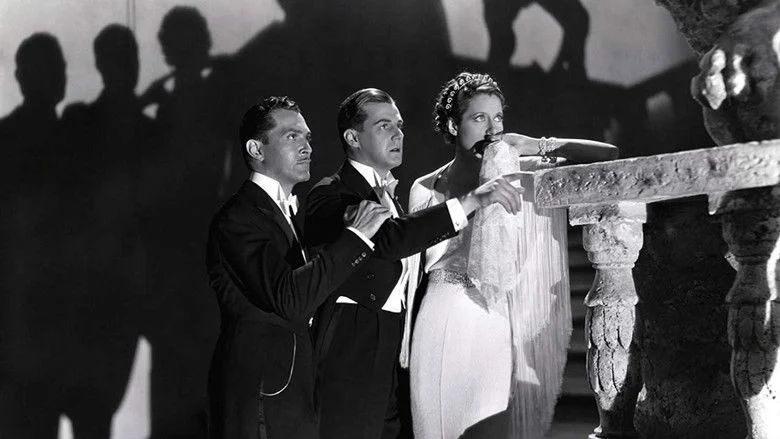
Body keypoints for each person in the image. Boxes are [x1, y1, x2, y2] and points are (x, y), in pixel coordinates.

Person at [303, 88, 524, 439]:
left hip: (399, 352)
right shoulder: (329, 195)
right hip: (352, 351)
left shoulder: (392, 196)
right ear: (352, 137)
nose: (398, 135)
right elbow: (391, 239)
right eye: (384, 126)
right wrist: (473, 200)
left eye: (400, 126)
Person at [408, 72, 618, 439]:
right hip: (436, 319)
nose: (493, 130)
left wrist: (535, 144)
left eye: (498, 117)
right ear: (454, 125)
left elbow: (608, 155)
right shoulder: (424, 187)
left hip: (490, 321)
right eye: (479, 118)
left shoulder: (519, 173)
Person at [206, 96, 393, 439]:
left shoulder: (287, 214)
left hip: (295, 396)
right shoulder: (238, 219)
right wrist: (356, 237)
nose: (307, 147)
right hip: (262, 398)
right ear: (256, 149)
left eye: (307, 137)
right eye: (291, 136)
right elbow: (290, 299)